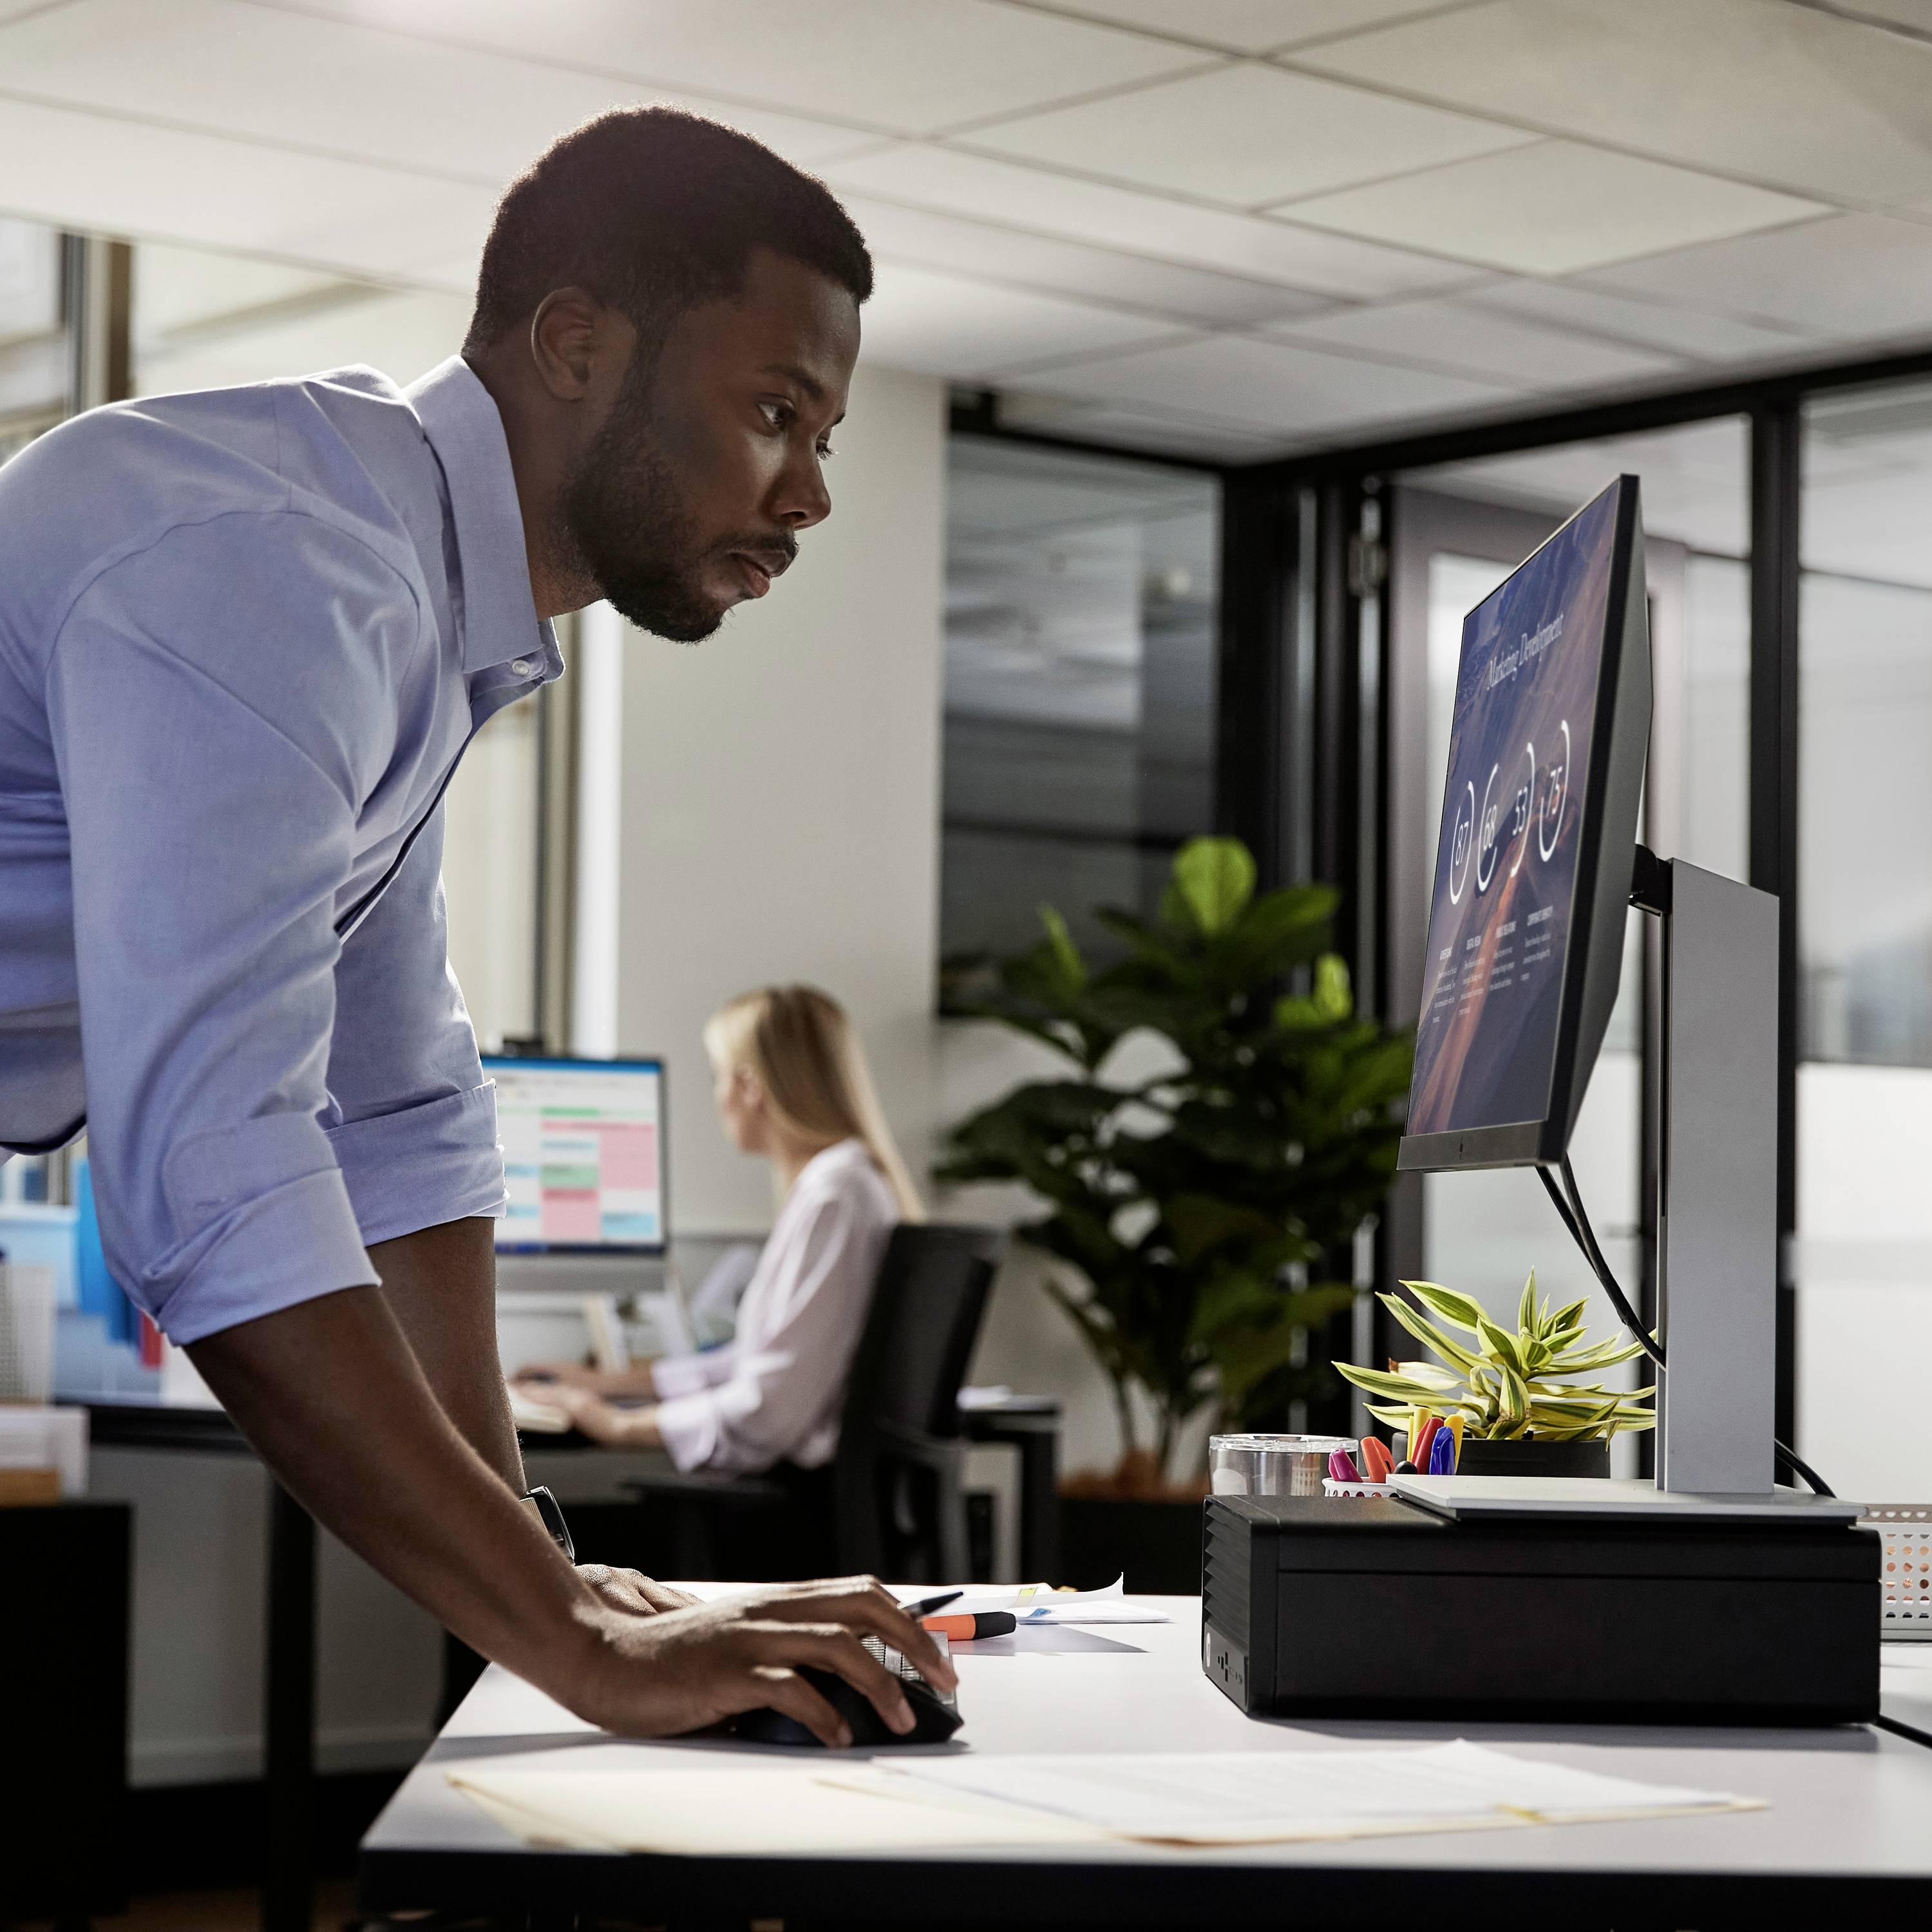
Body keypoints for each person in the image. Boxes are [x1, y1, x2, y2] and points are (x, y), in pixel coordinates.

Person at [0, 108, 952, 1747]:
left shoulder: (413, 595)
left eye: (826, 437)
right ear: (574, 342)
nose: (805, 494)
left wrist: (559, 1575)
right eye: (775, 412)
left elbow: (404, 1108)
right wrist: (572, 1641)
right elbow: (218, 1165)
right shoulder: (283, 569)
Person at [516, 985, 922, 1472]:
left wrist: (620, 1424)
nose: (718, 1095)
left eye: (719, 1075)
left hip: (784, 1497)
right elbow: (754, 1364)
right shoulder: (847, 1182)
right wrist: (603, 1385)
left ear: (750, 1088)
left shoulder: (835, 1195)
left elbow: (769, 1408)